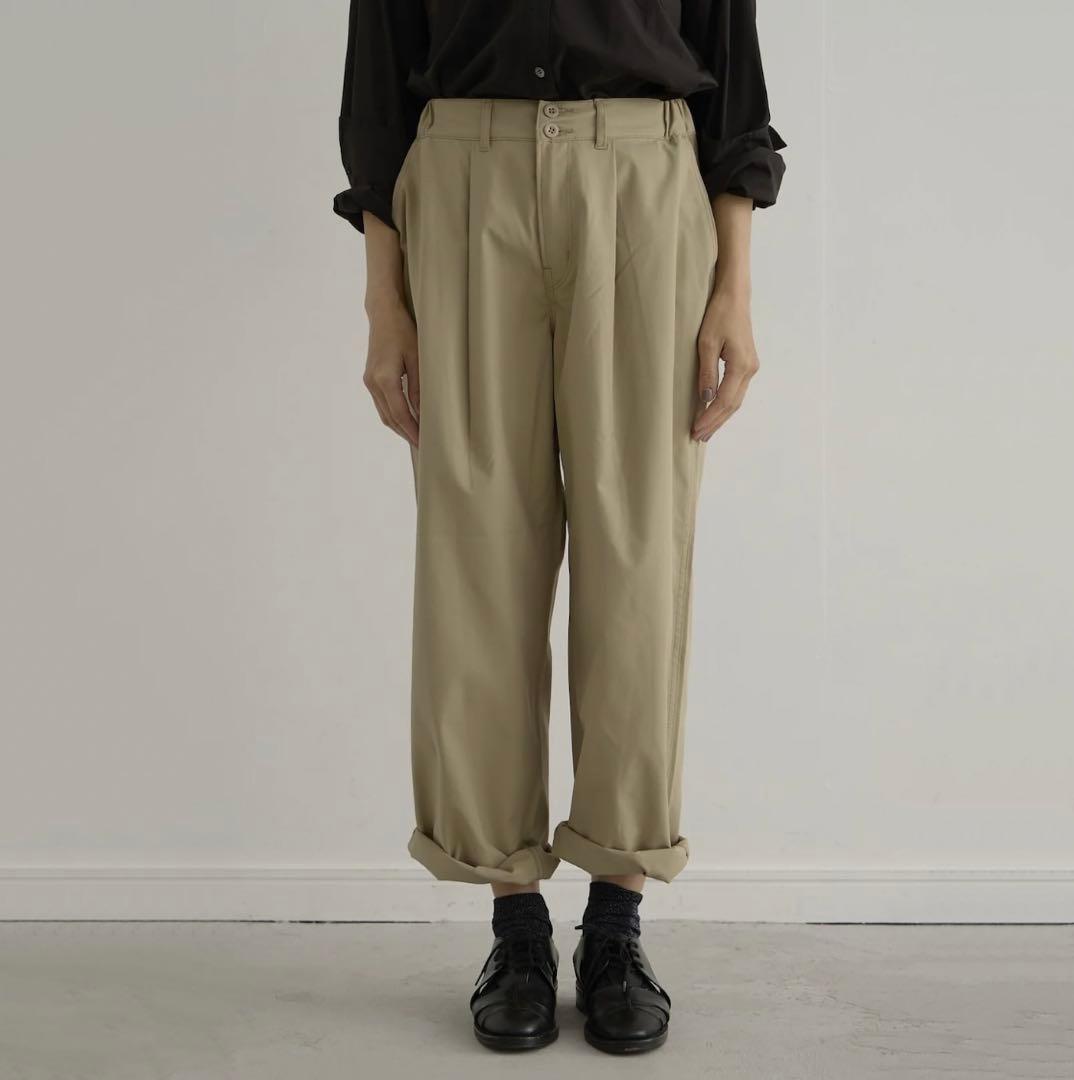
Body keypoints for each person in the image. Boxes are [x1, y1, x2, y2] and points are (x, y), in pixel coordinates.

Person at [333, 0, 785, 1055]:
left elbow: (732, 80)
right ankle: (516, 927)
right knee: (476, 560)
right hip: (462, 180)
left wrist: (734, 288)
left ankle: (617, 923)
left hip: (645, 179)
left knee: (639, 557)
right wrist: (383, 302)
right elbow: (378, 90)